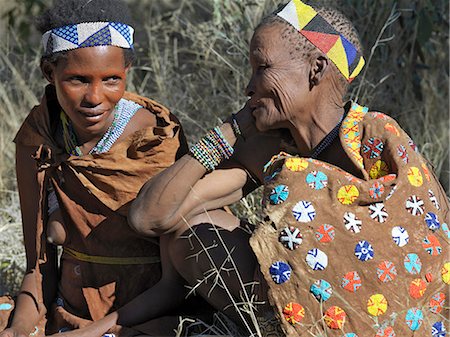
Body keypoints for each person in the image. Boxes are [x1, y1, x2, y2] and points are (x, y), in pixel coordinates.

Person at [128, 1, 449, 336]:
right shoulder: (273, 152)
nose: (248, 87)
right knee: (194, 231)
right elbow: (151, 217)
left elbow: (427, 251)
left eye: (262, 67)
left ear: (317, 68)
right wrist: (230, 131)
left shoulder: (374, 135)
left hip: (385, 321)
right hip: (292, 315)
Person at [0, 0, 194, 336]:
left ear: (126, 75)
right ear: (50, 74)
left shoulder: (155, 139)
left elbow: (174, 279)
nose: (95, 97)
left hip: (143, 318)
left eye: (111, 80)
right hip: (68, 309)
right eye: (77, 80)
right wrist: (19, 330)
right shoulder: (40, 136)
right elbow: (38, 265)